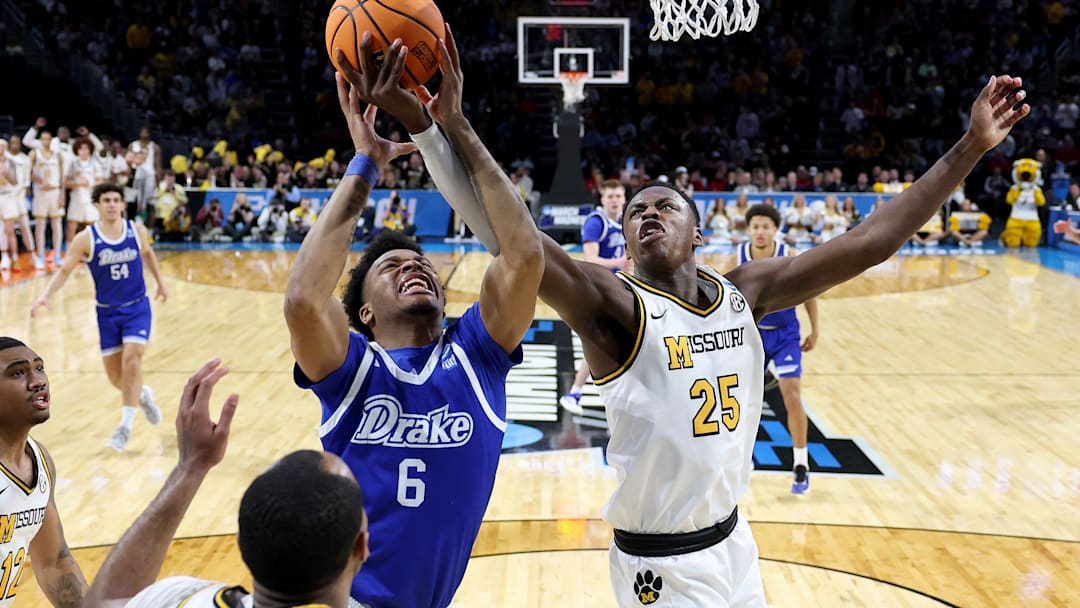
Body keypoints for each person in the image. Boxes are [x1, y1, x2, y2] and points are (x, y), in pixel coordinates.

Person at [427, 74, 1029, 606]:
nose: (647, 213)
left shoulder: (747, 290)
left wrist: (972, 145)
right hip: (659, 567)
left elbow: (871, 242)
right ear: (627, 243)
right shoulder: (615, 307)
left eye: (665, 205)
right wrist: (444, 128)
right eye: (635, 211)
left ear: (698, 231)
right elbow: (512, 240)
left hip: (735, 542)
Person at [284, 30, 542, 608]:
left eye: (420, 262)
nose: (413, 268)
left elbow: (524, 256)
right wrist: (365, 164)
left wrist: (453, 124)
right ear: (365, 312)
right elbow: (303, 299)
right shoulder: (350, 368)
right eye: (392, 266)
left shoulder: (477, 353)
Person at [83, 359, 371, 608]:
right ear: (361, 549)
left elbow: (104, 602)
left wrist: (190, 468)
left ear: (242, 545)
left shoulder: (184, 599)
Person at [30, 183, 170, 451]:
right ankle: (142, 396)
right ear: (97, 205)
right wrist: (45, 295)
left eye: (116, 199)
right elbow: (65, 271)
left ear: (122, 204)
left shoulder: (135, 230)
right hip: (107, 312)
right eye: (106, 200)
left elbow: (149, 255)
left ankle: (124, 427)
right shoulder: (86, 238)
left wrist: (161, 284)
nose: (112, 204)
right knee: (118, 379)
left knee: (132, 361)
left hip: (137, 307)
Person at [0, 337, 89, 606]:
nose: (37, 380)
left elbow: (55, 564)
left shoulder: (39, 461)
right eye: (18, 372)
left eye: (39, 368)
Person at [738, 204, 819, 493]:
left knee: (793, 396)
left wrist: (815, 329)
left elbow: (810, 293)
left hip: (786, 334)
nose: (760, 231)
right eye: (755, 226)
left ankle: (800, 464)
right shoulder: (739, 258)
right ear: (748, 230)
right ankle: (741, 457)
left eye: (766, 226)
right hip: (753, 335)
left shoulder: (790, 256)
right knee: (745, 401)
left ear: (775, 229)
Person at [560, 179, 630, 414]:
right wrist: (620, 263)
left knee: (612, 341)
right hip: (595, 289)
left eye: (618, 196)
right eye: (610, 196)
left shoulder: (625, 220)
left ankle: (577, 393)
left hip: (617, 288)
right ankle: (576, 392)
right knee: (600, 342)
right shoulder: (595, 222)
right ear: (602, 199)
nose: (615, 200)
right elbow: (591, 260)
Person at [28, 131, 65, 270]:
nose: (45, 141)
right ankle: (41, 255)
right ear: (40, 140)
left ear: (51, 140)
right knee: (40, 225)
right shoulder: (34, 154)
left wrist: (62, 194)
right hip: (40, 191)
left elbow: (63, 178)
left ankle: (57, 255)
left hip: (55, 191)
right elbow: (28, 173)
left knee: (57, 224)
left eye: (47, 139)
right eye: (43, 139)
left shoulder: (58, 155)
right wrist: (38, 180)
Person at [129, 127, 161, 229]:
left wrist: (158, 181)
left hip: (150, 177)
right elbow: (128, 162)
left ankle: (149, 230)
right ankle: (134, 226)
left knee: (150, 204)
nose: (144, 133)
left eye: (146, 131)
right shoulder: (132, 145)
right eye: (142, 131)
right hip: (136, 176)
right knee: (134, 202)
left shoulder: (155, 147)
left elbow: (158, 165)